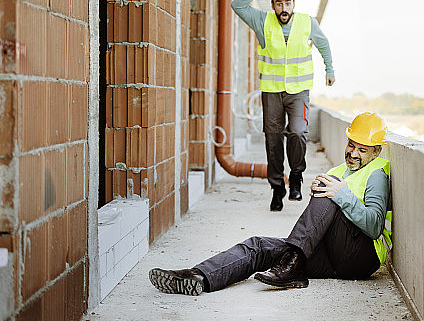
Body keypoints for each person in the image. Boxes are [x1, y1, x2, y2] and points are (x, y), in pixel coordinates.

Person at [148, 112, 392, 294]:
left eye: (363, 149)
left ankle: (292, 261)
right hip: (331, 256)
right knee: (259, 247)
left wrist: (338, 194)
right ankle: (198, 277)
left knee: (329, 190)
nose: (353, 153)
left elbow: (374, 226)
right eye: (352, 145)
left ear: (375, 153)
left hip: (361, 257)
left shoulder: (377, 173)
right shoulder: (340, 169)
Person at [231, 0, 335, 211]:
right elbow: (237, 5)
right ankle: (277, 187)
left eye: (287, 3)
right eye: (278, 3)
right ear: (272, 4)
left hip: (298, 92)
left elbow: (323, 44)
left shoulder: (307, 23)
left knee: (298, 133)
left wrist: (330, 69)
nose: (283, 9)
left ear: (294, 3)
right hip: (272, 91)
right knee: (273, 139)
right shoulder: (261, 20)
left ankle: (296, 177)